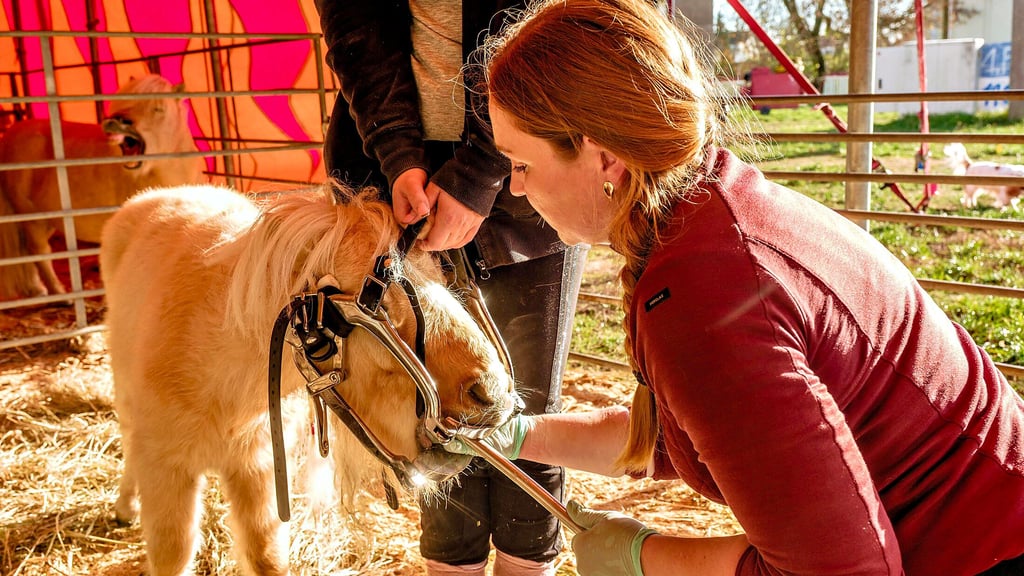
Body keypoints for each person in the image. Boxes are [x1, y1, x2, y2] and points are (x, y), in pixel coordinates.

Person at [444, 0, 1024, 574]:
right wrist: (514, 435)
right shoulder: (712, 209)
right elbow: (710, 433)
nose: (515, 189)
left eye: (521, 164)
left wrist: (644, 558)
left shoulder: (701, 295)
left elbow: (842, 572)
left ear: (603, 159)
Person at [312, 2, 588, 575]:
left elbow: (548, 19)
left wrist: (479, 171)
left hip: (529, 167)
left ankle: (525, 564)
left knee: (527, 405)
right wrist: (397, 154)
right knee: (429, 403)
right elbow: (356, 22)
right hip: (391, 180)